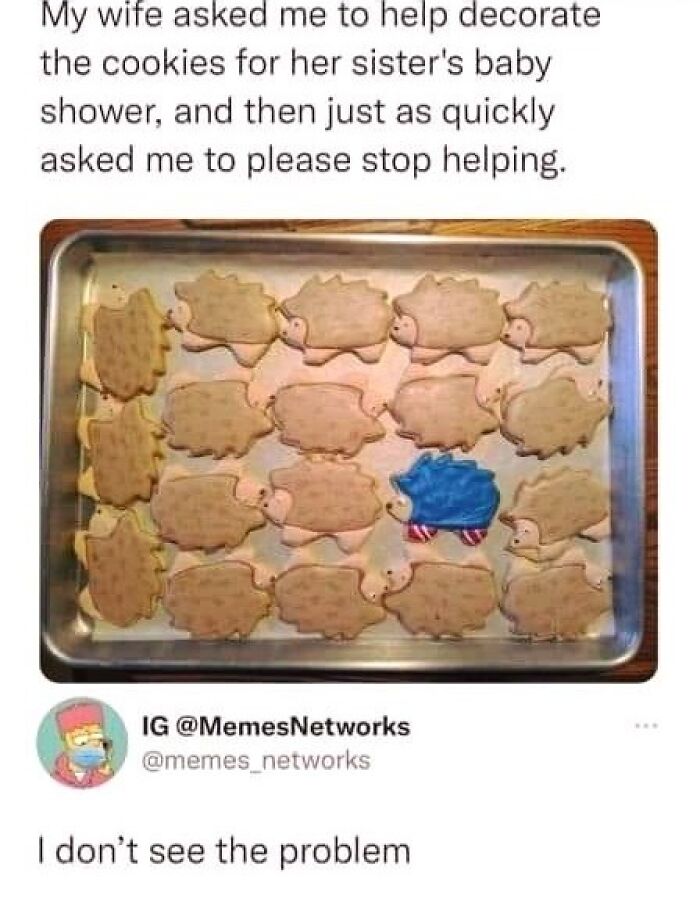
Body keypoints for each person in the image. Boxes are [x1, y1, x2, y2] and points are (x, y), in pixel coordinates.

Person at [52, 701, 113, 788]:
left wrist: (104, 775)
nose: (92, 745)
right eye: (82, 739)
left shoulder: (105, 776)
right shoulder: (55, 779)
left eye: (96, 736)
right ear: (66, 742)